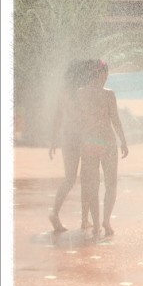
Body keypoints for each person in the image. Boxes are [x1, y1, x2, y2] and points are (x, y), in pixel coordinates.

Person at [76, 59, 129, 237]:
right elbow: (115, 119)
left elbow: (78, 120)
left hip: (89, 142)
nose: (107, 77)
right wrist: (123, 140)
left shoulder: (80, 93)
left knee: (92, 185)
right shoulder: (109, 94)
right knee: (111, 184)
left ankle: (98, 223)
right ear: (99, 74)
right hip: (107, 142)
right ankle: (106, 220)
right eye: (105, 74)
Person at [48, 58, 94, 232]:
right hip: (85, 138)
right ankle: (84, 219)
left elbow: (57, 117)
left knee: (69, 178)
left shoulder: (64, 92)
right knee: (88, 178)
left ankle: (55, 213)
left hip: (68, 138)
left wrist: (53, 140)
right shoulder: (86, 92)